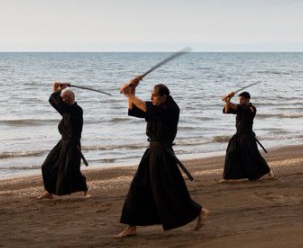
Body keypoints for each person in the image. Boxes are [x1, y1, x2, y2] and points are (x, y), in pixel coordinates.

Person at [115, 77, 208, 238]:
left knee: (171, 189)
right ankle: (132, 226)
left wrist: (128, 93)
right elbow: (137, 109)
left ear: (164, 96)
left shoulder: (171, 108)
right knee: (138, 187)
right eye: (151, 95)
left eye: (155, 96)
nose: (152, 98)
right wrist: (132, 91)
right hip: (152, 152)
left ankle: (200, 211)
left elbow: (143, 106)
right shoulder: (158, 105)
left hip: (163, 154)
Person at [37, 82, 89, 199]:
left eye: (67, 98)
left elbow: (58, 102)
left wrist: (59, 90)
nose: (64, 100)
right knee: (46, 165)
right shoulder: (66, 110)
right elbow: (53, 102)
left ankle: (85, 191)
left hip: (72, 144)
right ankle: (48, 191)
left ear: (72, 99)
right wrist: (56, 88)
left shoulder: (76, 110)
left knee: (72, 169)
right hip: (63, 142)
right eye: (63, 98)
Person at [221, 90, 273, 181]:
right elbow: (226, 110)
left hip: (248, 136)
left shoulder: (252, 108)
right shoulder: (239, 107)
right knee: (230, 153)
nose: (240, 101)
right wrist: (229, 99)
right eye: (239, 99)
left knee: (254, 155)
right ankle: (226, 177)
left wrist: (228, 100)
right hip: (238, 135)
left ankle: (268, 170)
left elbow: (236, 107)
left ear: (248, 99)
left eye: (242, 99)